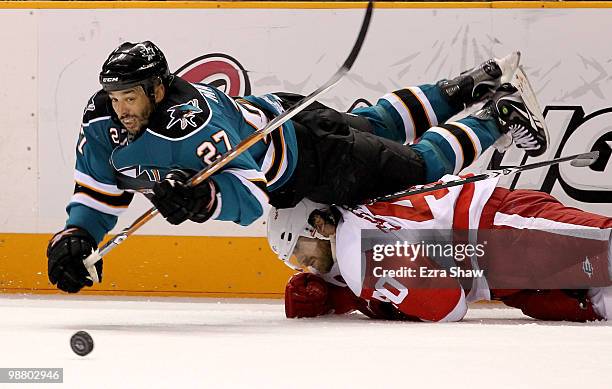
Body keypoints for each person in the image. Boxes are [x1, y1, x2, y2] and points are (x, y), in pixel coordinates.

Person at [47, 40, 545, 293]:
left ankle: (496, 116)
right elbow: (97, 195)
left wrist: (202, 201)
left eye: (131, 97)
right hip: (283, 111)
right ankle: (467, 85)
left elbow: (253, 195)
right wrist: (76, 237)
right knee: (377, 125)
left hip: (310, 159)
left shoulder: (196, 124)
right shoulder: (102, 126)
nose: (122, 110)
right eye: (115, 98)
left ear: (158, 89)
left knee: (414, 169)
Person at [267, 176, 612, 322]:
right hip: (496, 266)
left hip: (497, 229)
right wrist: (335, 297)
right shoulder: (356, 216)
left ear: (317, 225)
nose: (306, 265)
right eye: (297, 262)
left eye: (302, 250)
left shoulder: (356, 249)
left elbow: (446, 305)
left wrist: (350, 296)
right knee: (596, 302)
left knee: (606, 248)